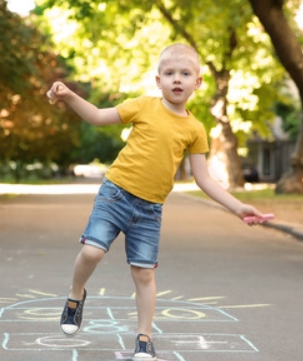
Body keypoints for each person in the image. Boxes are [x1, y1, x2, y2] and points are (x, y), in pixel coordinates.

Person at [46, 43, 267, 361]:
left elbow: (203, 179)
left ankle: (144, 339)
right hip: (116, 194)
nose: (177, 79)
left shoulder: (195, 129)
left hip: (149, 210)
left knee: (144, 274)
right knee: (92, 251)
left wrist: (237, 207)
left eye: (185, 74)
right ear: (158, 80)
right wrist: (68, 95)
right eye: (170, 73)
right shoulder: (143, 106)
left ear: (198, 82)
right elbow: (96, 116)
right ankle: (75, 295)